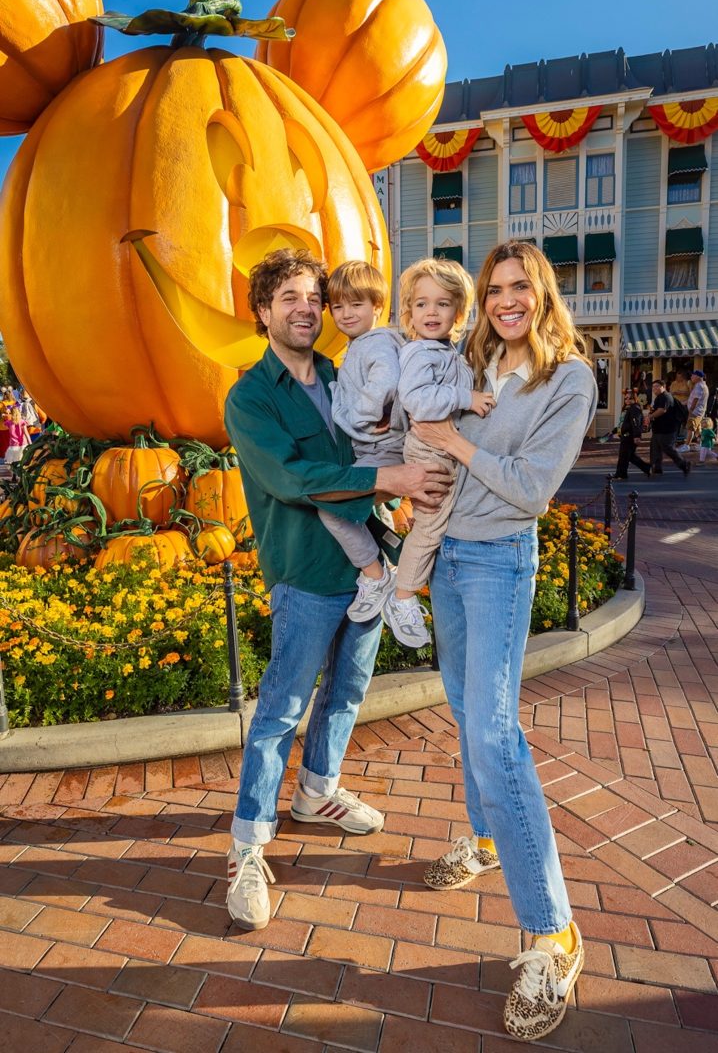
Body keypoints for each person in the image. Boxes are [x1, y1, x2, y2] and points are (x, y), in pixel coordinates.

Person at [223, 248, 451, 932]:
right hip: (306, 572)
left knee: (349, 691)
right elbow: (290, 477)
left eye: (313, 298)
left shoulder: (342, 369)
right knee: (281, 708)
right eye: (289, 297)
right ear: (263, 310)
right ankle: (247, 845)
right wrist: (387, 480)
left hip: (367, 565)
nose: (306, 309)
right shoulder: (251, 396)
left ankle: (317, 791)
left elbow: (391, 429)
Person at [411, 240, 597, 1042]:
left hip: (498, 562)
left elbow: (530, 489)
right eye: (494, 289)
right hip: (448, 556)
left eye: (520, 286)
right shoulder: (473, 363)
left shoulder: (570, 379)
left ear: (543, 292)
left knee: (494, 733)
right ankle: (487, 839)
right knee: (464, 709)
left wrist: (454, 443)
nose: (505, 300)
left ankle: (554, 933)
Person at [381, 258, 495, 647]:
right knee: (430, 524)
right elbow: (419, 401)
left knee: (439, 519)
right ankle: (402, 597)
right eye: (422, 303)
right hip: (429, 447)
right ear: (409, 312)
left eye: (442, 303)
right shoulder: (420, 353)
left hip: (443, 445)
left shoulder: (446, 352)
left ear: (458, 312)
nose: (431, 312)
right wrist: (467, 398)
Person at [316, 261, 406, 624]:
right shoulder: (360, 346)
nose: (346, 313)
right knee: (366, 512)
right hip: (376, 450)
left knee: (332, 508)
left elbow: (386, 379)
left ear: (377, 306)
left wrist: (359, 415)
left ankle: (376, 574)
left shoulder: (376, 343)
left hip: (383, 451)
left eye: (357, 304)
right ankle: (391, 561)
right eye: (338, 306)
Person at [647, 378, 690, 477]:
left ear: (663, 387)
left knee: (668, 448)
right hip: (658, 428)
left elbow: (662, 410)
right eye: (653, 387)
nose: (654, 388)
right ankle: (656, 468)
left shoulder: (665, 396)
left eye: (657, 386)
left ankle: (684, 464)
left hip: (667, 429)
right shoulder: (659, 397)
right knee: (655, 448)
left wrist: (650, 416)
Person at [612, 390, 650, 480]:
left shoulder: (634, 408)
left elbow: (635, 422)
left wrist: (637, 436)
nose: (627, 400)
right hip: (626, 435)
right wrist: (617, 430)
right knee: (630, 456)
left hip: (630, 436)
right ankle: (647, 468)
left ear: (635, 399)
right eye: (626, 398)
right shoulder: (628, 408)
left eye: (630, 398)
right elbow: (624, 422)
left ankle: (621, 474)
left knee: (624, 455)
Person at [685, 369, 709, 448]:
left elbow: (696, 399)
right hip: (699, 411)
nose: (691, 377)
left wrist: (691, 410)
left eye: (693, 375)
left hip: (695, 411)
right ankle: (700, 445)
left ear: (698, 377)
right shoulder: (703, 385)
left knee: (690, 428)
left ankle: (686, 445)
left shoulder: (699, 386)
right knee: (698, 429)